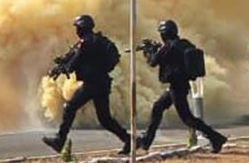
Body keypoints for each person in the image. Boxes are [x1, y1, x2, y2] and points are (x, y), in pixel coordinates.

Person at [42, 14, 131, 155]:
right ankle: (128, 140)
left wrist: (63, 67)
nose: (76, 31)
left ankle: (60, 140)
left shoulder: (85, 43)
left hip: (92, 85)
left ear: (82, 28)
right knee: (105, 119)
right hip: (102, 82)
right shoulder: (99, 41)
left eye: (77, 27)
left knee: (69, 107)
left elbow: (73, 64)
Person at [138, 19, 226, 154]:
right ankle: (146, 141)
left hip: (177, 87)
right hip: (181, 84)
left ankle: (216, 137)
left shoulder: (167, 48)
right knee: (158, 107)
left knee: (187, 118)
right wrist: (156, 49)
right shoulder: (184, 44)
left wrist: (149, 51)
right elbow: (170, 57)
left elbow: (153, 62)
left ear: (164, 34)